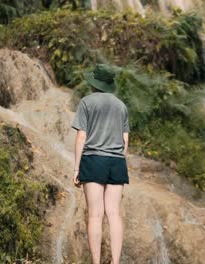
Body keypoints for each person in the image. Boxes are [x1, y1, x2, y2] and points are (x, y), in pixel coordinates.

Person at [71, 64, 130, 264]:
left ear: (94, 83)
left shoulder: (86, 103)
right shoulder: (121, 106)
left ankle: (96, 263)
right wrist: (118, 159)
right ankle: (116, 262)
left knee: (95, 215)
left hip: (93, 160)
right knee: (113, 213)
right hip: (116, 162)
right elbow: (125, 140)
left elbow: (81, 136)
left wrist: (77, 168)